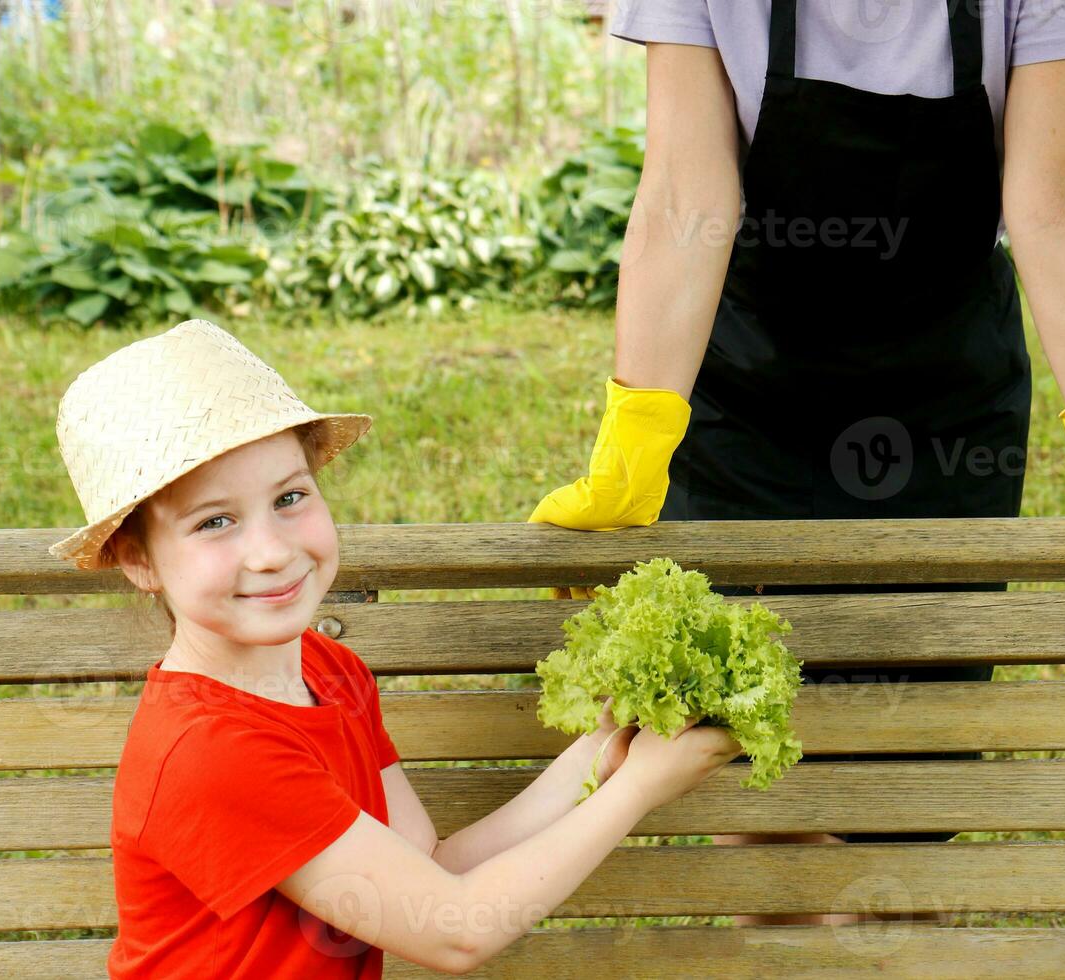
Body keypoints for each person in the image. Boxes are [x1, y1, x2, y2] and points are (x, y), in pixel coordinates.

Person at [529, 0, 1065, 926]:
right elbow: (686, 193)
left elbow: (1061, 195)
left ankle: (890, 931)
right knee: (745, 752)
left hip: (945, 395)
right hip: (748, 393)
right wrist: (636, 439)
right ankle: (792, 931)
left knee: (911, 781)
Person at [49, 318, 742, 977]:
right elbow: (456, 929)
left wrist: (605, 747)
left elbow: (433, 863)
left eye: (289, 498)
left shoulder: (329, 670)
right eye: (216, 522)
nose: (270, 551)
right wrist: (641, 789)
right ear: (137, 560)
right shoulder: (209, 751)